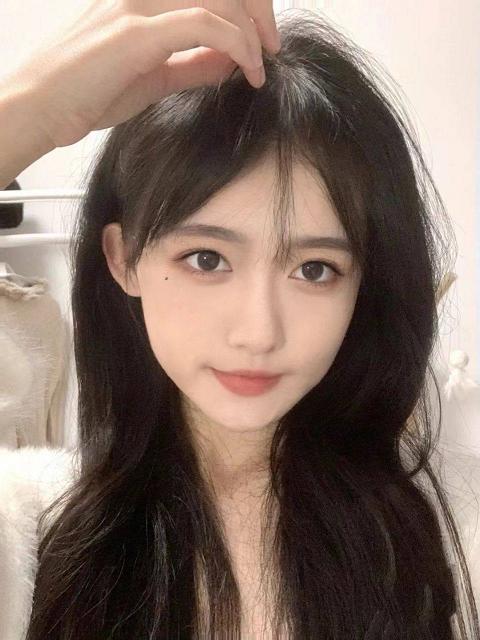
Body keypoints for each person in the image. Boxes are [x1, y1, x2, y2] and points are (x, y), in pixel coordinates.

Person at [0, 2, 478, 638]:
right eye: (207, 259)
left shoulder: (457, 535)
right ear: (123, 259)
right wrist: (29, 112)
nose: (259, 333)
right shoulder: (30, 532)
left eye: (314, 269)